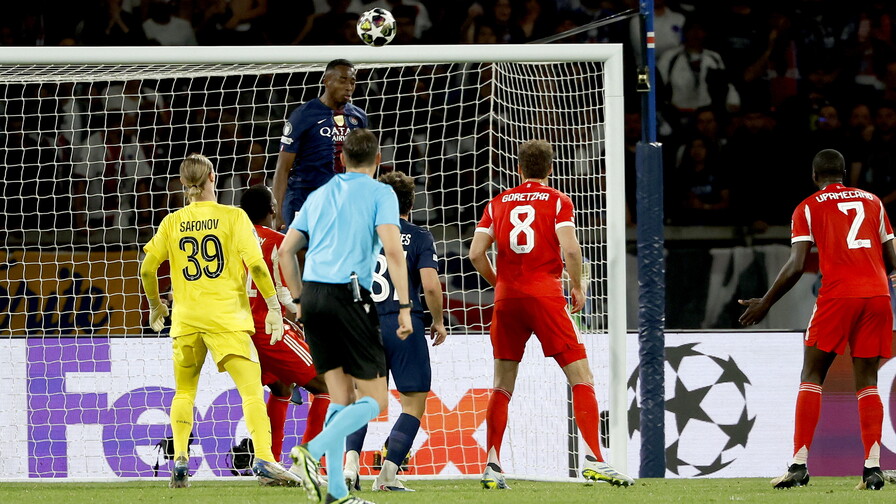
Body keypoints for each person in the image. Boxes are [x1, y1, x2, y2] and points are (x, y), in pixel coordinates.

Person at [468, 139, 634, 489]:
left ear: (518, 169)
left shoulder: (496, 203)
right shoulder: (558, 200)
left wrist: (501, 283)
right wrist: (578, 286)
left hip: (507, 300)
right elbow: (571, 249)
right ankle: (594, 459)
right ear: (550, 168)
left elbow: (475, 254)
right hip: (545, 295)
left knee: (502, 383)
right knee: (581, 376)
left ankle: (492, 464)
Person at [139, 154, 300, 488]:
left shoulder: (172, 222)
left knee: (184, 391)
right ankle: (265, 459)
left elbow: (147, 269)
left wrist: (156, 305)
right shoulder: (233, 216)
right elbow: (256, 265)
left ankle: (180, 460)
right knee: (251, 391)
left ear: (183, 183)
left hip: (186, 320)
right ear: (213, 177)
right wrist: (273, 306)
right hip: (227, 319)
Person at [739, 149, 896, 491]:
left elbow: (797, 264)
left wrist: (766, 302)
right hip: (878, 296)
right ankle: (872, 468)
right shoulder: (873, 201)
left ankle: (798, 465)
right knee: (867, 380)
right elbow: (892, 256)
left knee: (812, 374)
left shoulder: (807, 207)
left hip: (838, 295)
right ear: (844, 174)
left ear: (814, 176)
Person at [280, 129, 413, 504]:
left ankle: (337, 492)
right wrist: (404, 307)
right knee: (376, 399)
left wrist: (299, 300)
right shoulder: (381, 193)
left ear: (341, 159)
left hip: (314, 296)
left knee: (340, 396)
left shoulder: (319, 194)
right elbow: (393, 251)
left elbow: (285, 252)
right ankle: (311, 450)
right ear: (378, 160)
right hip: (350, 295)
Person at [343, 171, 448, 492]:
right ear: (410, 204)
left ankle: (350, 466)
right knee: (413, 404)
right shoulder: (419, 236)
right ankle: (387, 476)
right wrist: (438, 320)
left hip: (365, 323)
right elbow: (430, 285)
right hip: (403, 323)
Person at [238, 184, 331, 466]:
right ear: (272, 209)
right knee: (327, 385)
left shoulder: (234, 242)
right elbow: (285, 294)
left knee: (280, 389)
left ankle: (271, 463)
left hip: (240, 331)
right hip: (269, 329)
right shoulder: (279, 242)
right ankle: (307, 462)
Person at [273, 58, 368, 230]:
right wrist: (278, 213)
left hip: (340, 203)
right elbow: (283, 168)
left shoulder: (358, 118)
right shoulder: (303, 116)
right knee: (299, 247)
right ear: (326, 81)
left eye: (352, 82)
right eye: (343, 80)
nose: (349, 87)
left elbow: (362, 165)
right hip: (303, 200)